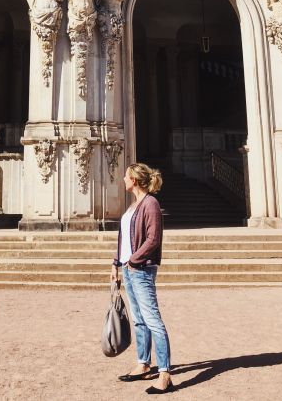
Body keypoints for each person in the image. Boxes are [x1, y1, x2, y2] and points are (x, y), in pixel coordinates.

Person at [111, 163, 173, 394]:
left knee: (152, 319)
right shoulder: (134, 205)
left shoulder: (151, 204)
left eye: (126, 176)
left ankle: (165, 373)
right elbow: (124, 238)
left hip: (142, 269)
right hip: (129, 268)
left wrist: (133, 261)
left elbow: (153, 239)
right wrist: (116, 263)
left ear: (134, 180)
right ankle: (143, 363)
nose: (123, 179)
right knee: (138, 319)